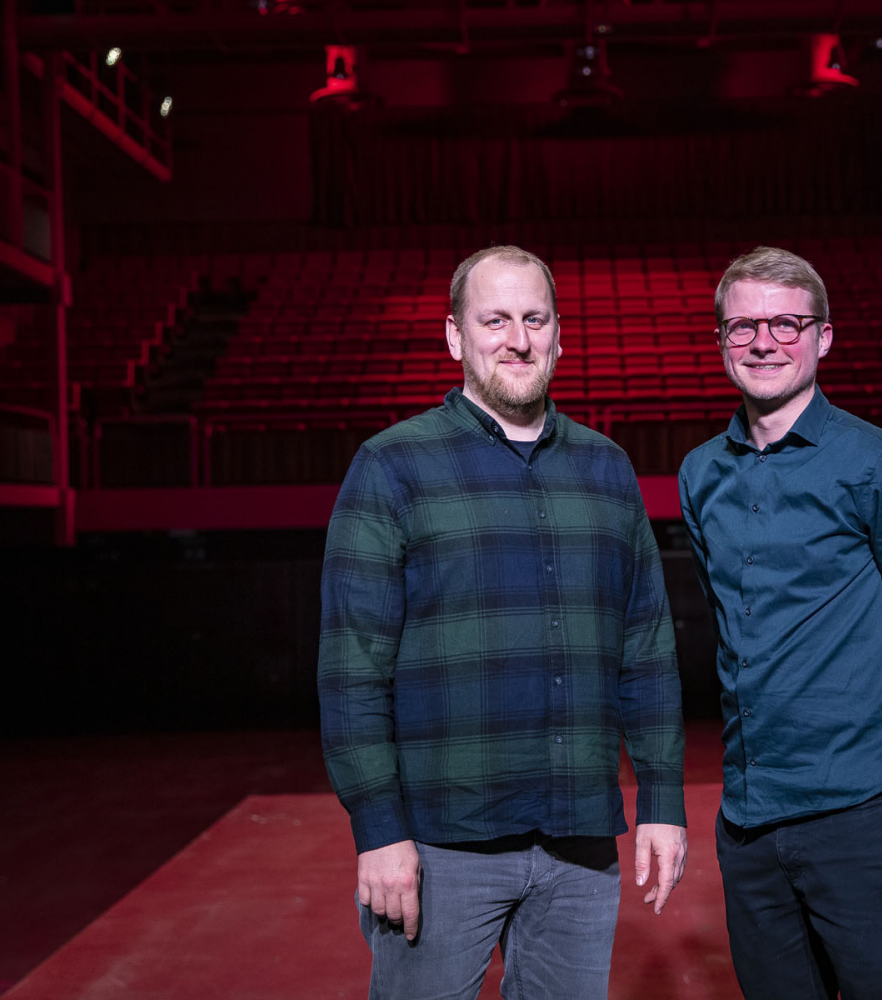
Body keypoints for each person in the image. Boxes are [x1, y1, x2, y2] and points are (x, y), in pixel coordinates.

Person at [319, 245, 688, 1000]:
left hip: (581, 837)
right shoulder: (392, 467)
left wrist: (662, 800)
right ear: (456, 336)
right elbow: (353, 668)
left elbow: (646, 648)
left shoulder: (607, 469)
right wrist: (379, 831)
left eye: (534, 318)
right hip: (437, 840)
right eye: (494, 319)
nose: (517, 338)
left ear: (558, 334)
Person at [678, 246, 882, 1000]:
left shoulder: (881, 463)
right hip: (748, 816)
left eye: (786, 323)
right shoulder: (699, 473)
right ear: (721, 342)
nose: (763, 341)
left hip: (864, 810)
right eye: (743, 326)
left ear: (823, 338)